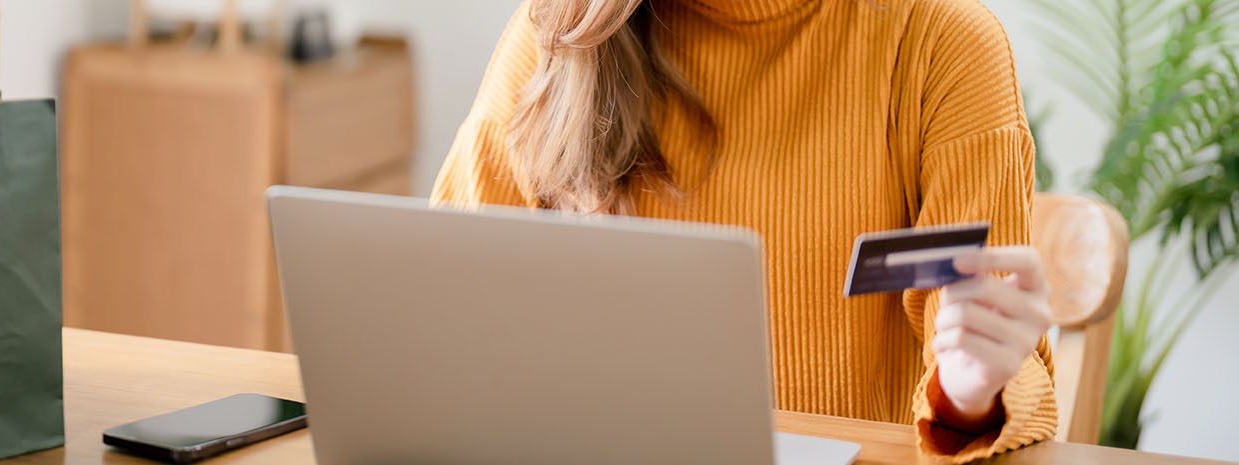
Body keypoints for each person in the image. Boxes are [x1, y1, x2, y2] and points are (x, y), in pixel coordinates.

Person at [430, 0, 1057, 462]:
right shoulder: (563, 35)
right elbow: (437, 319)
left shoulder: (940, 42)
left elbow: (997, 382)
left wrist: (967, 392)